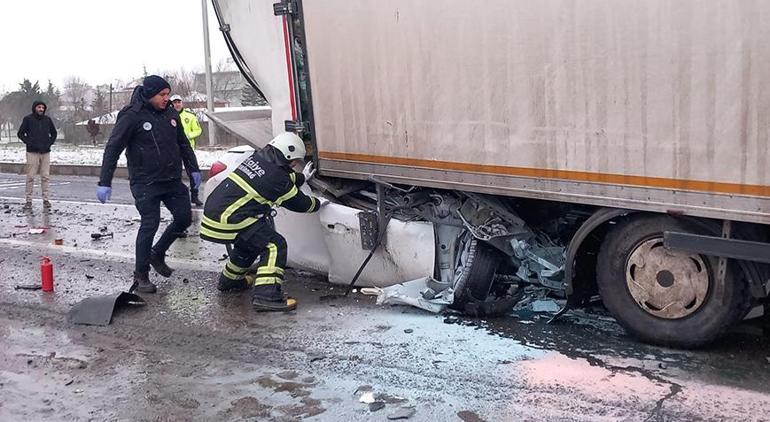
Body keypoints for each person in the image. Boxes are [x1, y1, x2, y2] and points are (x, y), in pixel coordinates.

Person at [97, 75, 202, 293]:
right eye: (162, 95)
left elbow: (183, 144)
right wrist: (105, 181)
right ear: (150, 94)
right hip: (145, 182)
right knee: (150, 223)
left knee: (184, 218)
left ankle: (157, 253)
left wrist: (193, 169)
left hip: (171, 179)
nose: (166, 99)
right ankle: (141, 274)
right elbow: (113, 148)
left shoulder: (171, 113)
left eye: (168, 94)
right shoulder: (131, 116)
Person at [200, 132, 324, 312]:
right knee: (274, 245)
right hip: (229, 218)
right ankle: (267, 296)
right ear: (287, 156)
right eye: (295, 161)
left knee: (249, 243)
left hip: (216, 214)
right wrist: (320, 203)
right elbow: (300, 204)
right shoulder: (276, 178)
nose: (295, 164)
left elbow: (279, 176)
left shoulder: (258, 158)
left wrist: (302, 177)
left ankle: (230, 281)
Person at [17, 100, 57, 210]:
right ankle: (28, 201)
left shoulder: (47, 120)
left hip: (45, 152)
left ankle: (46, 200)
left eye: (43, 108)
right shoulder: (28, 119)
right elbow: (20, 133)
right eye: (39, 107)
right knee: (30, 176)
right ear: (35, 108)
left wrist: (49, 143)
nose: (41, 109)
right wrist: (29, 142)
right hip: (32, 152)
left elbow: (54, 133)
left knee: (45, 176)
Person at [170, 94, 204, 206]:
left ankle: (194, 196)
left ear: (182, 103)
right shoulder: (167, 116)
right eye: (174, 102)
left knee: (194, 173)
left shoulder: (190, 116)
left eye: (178, 102)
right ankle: (176, 197)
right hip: (173, 150)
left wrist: (188, 135)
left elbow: (198, 130)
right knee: (174, 174)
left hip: (188, 150)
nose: (177, 104)